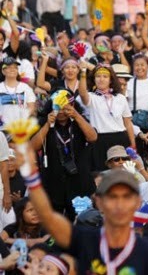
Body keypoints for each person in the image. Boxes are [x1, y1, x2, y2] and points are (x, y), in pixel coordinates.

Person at [20, 148, 148, 274]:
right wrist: (31, 174)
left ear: (138, 203)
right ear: (99, 202)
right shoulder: (85, 240)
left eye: (126, 197)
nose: (119, 204)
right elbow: (47, 216)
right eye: (112, 197)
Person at [30, 90, 97, 220]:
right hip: (53, 180)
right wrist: (47, 125)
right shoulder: (42, 122)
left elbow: (93, 137)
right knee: (53, 220)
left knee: (81, 219)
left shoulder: (79, 120)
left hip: (78, 179)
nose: (61, 111)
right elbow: (33, 147)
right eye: (57, 107)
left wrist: (77, 116)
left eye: (64, 107)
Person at [78, 64, 136, 170]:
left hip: (120, 138)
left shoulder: (120, 98)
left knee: (124, 172)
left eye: (105, 77)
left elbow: (127, 123)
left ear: (110, 80)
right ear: (94, 79)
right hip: (100, 140)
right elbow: (82, 94)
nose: (101, 79)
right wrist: (82, 73)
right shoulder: (92, 97)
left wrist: (132, 143)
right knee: (102, 173)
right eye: (98, 76)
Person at [0, 57, 36, 125]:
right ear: (3, 71)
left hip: (20, 129)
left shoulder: (25, 88)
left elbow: (31, 107)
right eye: (8, 67)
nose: (12, 69)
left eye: (15, 67)